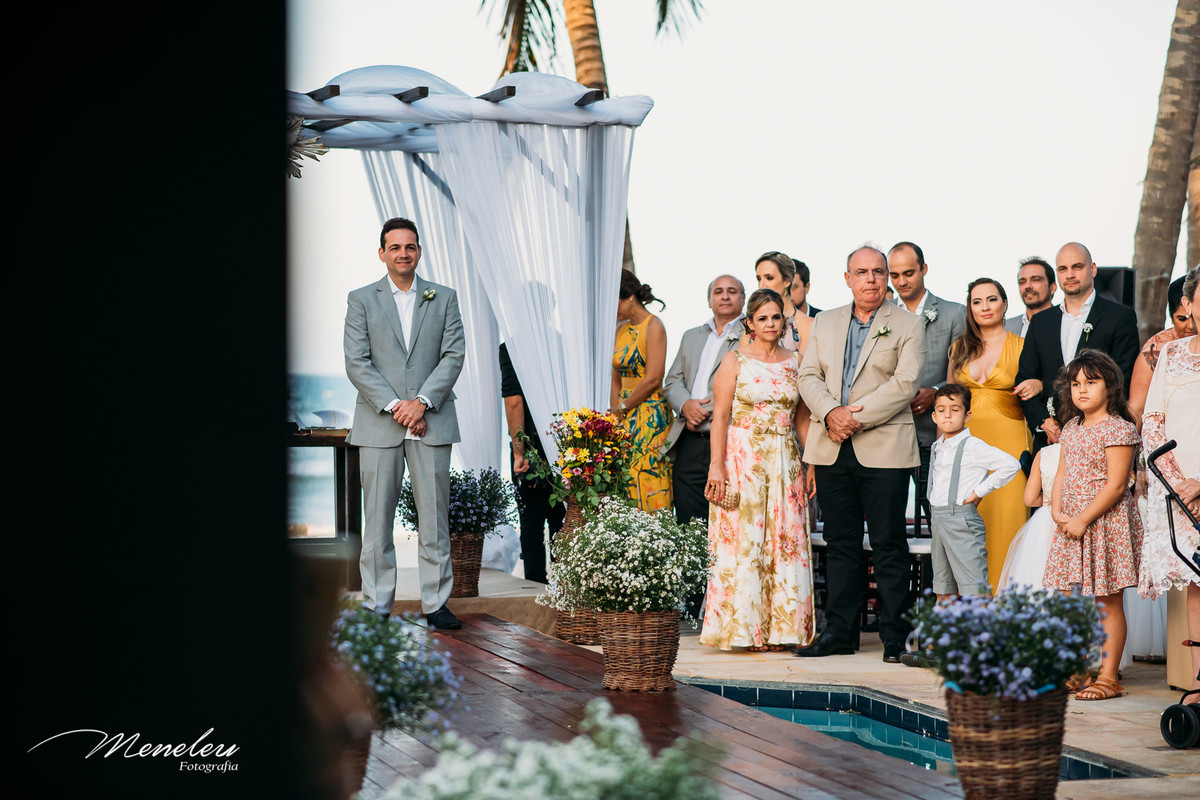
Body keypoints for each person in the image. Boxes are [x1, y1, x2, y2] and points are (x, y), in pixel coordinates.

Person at [796, 245, 925, 663]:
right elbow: (808, 375)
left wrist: (853, 417)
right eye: (861, 272)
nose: (870, 279)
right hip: (831, 445)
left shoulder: (908, 323)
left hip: (884, 447)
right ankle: (839, 633)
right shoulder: (826, 321)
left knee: (889, 544)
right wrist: (831, 413)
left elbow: (905, 384)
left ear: (887, 277)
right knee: (840, 544)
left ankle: (894, 638)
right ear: (847, 278)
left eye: (877, 272)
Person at [344, 217, 465, 630]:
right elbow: (356, 362)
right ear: (382, 253)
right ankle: (377, 604)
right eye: (394, 247)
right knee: (376, 521)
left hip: (430, 422)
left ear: (419, 251)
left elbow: (453, 355)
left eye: (409, 246)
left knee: (434, 518)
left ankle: (436, 604)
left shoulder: (443, 297)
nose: (402, 253)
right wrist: (398, 405)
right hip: (380, 423)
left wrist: (423, 403)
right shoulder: (361, 299)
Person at [700, 289, 815, 652]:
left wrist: (811, 461)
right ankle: (743, 631)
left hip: (784, 458)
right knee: (744, 539)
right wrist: (716, 467)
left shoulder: (796, 361)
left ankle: (784, 631)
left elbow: (802, 418)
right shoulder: (734, 360)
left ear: (784, 321)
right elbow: (719, 417)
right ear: (749, 323)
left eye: (776, 317)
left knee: (786, 539)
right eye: (762, 318)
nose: (770, 324)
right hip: (742, 458)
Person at [1045, 350, 1143, 701]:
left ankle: (1108, 676)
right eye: (1075, 384)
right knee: (1066, 599)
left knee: (1107, 602)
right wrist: (1057, 512)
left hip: (1103, 523)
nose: (1081, 390)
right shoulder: (1071, 427)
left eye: (1091, 382)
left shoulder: (1119, 429)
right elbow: (1062, 474)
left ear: (1110, 386)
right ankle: (1076, 668)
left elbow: (1117, 485)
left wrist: (1083, 519)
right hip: (1070, 523)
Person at [1138, 267, 1200, 702]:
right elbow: (1153, 423)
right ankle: (1199, 689)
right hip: (1179, 494)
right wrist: (1181, 485)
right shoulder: (1172, 355)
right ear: (1189, 306)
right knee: (1197, 588)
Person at [1015, 242, 1139, 456]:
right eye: (1063, 269)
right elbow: (1024, 380)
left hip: (1100, 438)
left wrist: (1093, 423)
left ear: (1092, 269)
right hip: (1049, 440)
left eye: (1077, 267)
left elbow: (1123, 377)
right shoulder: (1041, 322)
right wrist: (1044, 421)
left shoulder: (1120, 317)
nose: (1069, 274)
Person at [948, 278, 1032, 590]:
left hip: (1009, 442)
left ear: (1005, 304)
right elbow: (949, 402)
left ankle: (1008, 608)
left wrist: (1036, 385)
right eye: (977, 301)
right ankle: (972, 608)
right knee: (969, 525)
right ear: (970, 308)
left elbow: (1041, 392)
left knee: (1007, 519)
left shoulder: (1024, 347)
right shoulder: (958, 349)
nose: (985, 307)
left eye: (991, 299)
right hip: (968, 447)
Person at [888, 241, 967, 528]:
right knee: (888, 518)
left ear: (924, 269)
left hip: (932, 431)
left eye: (908, 273)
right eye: (894, 275)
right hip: (888, 432)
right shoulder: (881, 314)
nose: (901, 281)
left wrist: (936, 392)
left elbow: (960, 370)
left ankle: (937, 575)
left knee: (937, 516)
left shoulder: (953, 313)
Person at [662, 275, 746, 526]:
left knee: (727, 518)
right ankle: (693, 567)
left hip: (728, 440)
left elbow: (746, 385)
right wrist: (687, 406)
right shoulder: (691, 336)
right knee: (688, 519)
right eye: (718, 291)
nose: (725, 296)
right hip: (689, 439)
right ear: (709, 300)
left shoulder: (750, 336)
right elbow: (672, 380)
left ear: (743, 298)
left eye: (732, 291)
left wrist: (703, 410)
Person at [924, 384, 1020, 600]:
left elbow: (1011, 464)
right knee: (943, 588)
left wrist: (979, 491)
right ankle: (946, 633)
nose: (947, 415)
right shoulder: (937, 446)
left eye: (955, 409)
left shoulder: (972, 445)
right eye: (941, 410)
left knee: (975, 590)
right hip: (937, 520)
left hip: (962, 521)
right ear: (934, 416)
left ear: (967, 416)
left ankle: (981, 633)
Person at [499, 342, 564, 585]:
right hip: (563, 440)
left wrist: (518, 452)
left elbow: (514, 401)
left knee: (531, 521)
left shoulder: (512, 347)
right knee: (561, 517)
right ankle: (564, 587)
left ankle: (536, 589)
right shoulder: (558, 341)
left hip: (531, 445)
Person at [610, 269, 673, 511]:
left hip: (650, 415)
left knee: (649, 476)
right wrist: (614, 415)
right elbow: (615, 377)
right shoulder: (620, 329)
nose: (612, 309)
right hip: (622, 415)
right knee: (624, 478)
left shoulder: (654, 326)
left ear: (628, 297)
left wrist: (623, 408)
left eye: (614, 301)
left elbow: (653, 378)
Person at [1129, 273, 1195, 426]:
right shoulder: (1156, 348)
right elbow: (1137, 408)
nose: (1191, 326)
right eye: (1182, 319)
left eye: (1196, 316)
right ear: (1171, 317)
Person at [996, 439, 1062, 591]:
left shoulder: (1045, 453)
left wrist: (1047, 499)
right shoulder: (1092, 449)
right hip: (1080, 516)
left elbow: (1030, 499)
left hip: (1047, 519)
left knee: (1039, 573)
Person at [754, 251, 812, 353]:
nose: (762, 285)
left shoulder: (807, 325)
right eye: (759, 279)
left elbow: (804, 367)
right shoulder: (752, 323)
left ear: (787, 281)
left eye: (769, 278)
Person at [1005, 257, 1057, 338]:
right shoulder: (1006, 328)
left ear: (1052, 288)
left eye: (1035, 280)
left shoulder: (1066, 323)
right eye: (1022, 282)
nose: (1027, 286)